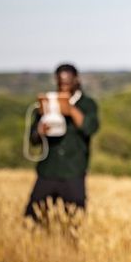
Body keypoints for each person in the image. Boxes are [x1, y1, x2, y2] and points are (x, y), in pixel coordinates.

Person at [24, 63, 100, 221]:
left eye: (67, 82)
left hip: (74, 171)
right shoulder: (47, 103)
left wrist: (70, 109)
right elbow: (33, 139)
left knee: (75, 218)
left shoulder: (87, 104)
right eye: (60, 83)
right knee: (33, 217)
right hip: (48, 169)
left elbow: (89, 128)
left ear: (76, 80)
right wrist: (39, 130)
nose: (63, 86)